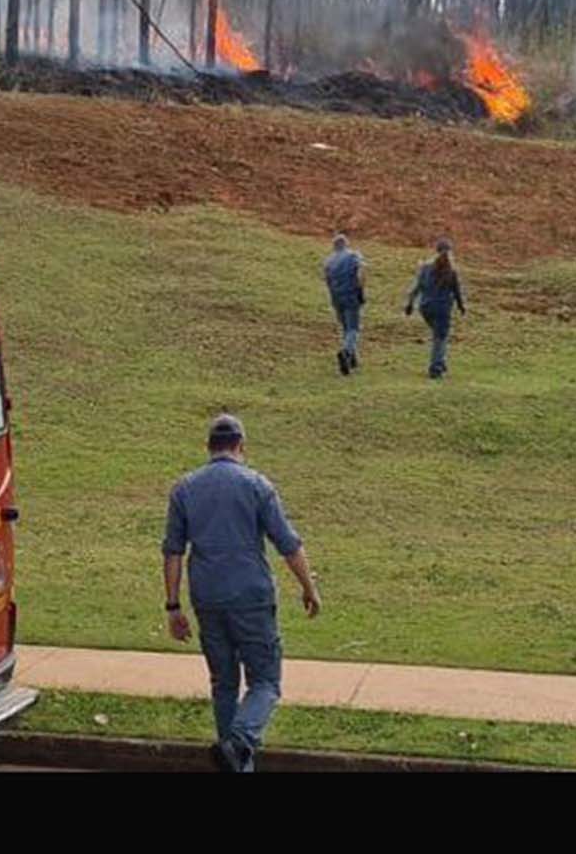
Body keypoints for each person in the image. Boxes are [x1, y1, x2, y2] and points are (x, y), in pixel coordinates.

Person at [163, 413, 320, 772]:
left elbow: (173, 550)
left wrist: (173, 606)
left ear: (209, 448)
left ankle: (234, 762)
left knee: (223, 684)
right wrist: (309, 587)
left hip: (207, 598)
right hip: (251, 597)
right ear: (241, 446)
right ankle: (240, 741)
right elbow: (287, 544)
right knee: (266, 681)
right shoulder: (257, 486)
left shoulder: (184, 488)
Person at [404, 238, 468, 379]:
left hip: (425, 307)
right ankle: (436, 368)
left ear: (436, 250)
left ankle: (441, 361)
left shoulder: (425, 267)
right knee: (440, 338)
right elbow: (457, 291)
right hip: (442, 309)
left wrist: (409, 304)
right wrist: (462, 307)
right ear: (450, 252)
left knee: (438, 336)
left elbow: (416, 288)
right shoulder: (451, 271)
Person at [321, 232, 367, 375]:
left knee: (345, 327)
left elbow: (327, 281)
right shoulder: (353, 255)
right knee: (353, 328)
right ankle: (346, 352)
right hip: (351, 295)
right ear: (346, 243)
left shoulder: (328, 261)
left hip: (336, 297)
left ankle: (353, 359)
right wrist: (360, 291)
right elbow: (361, 273)